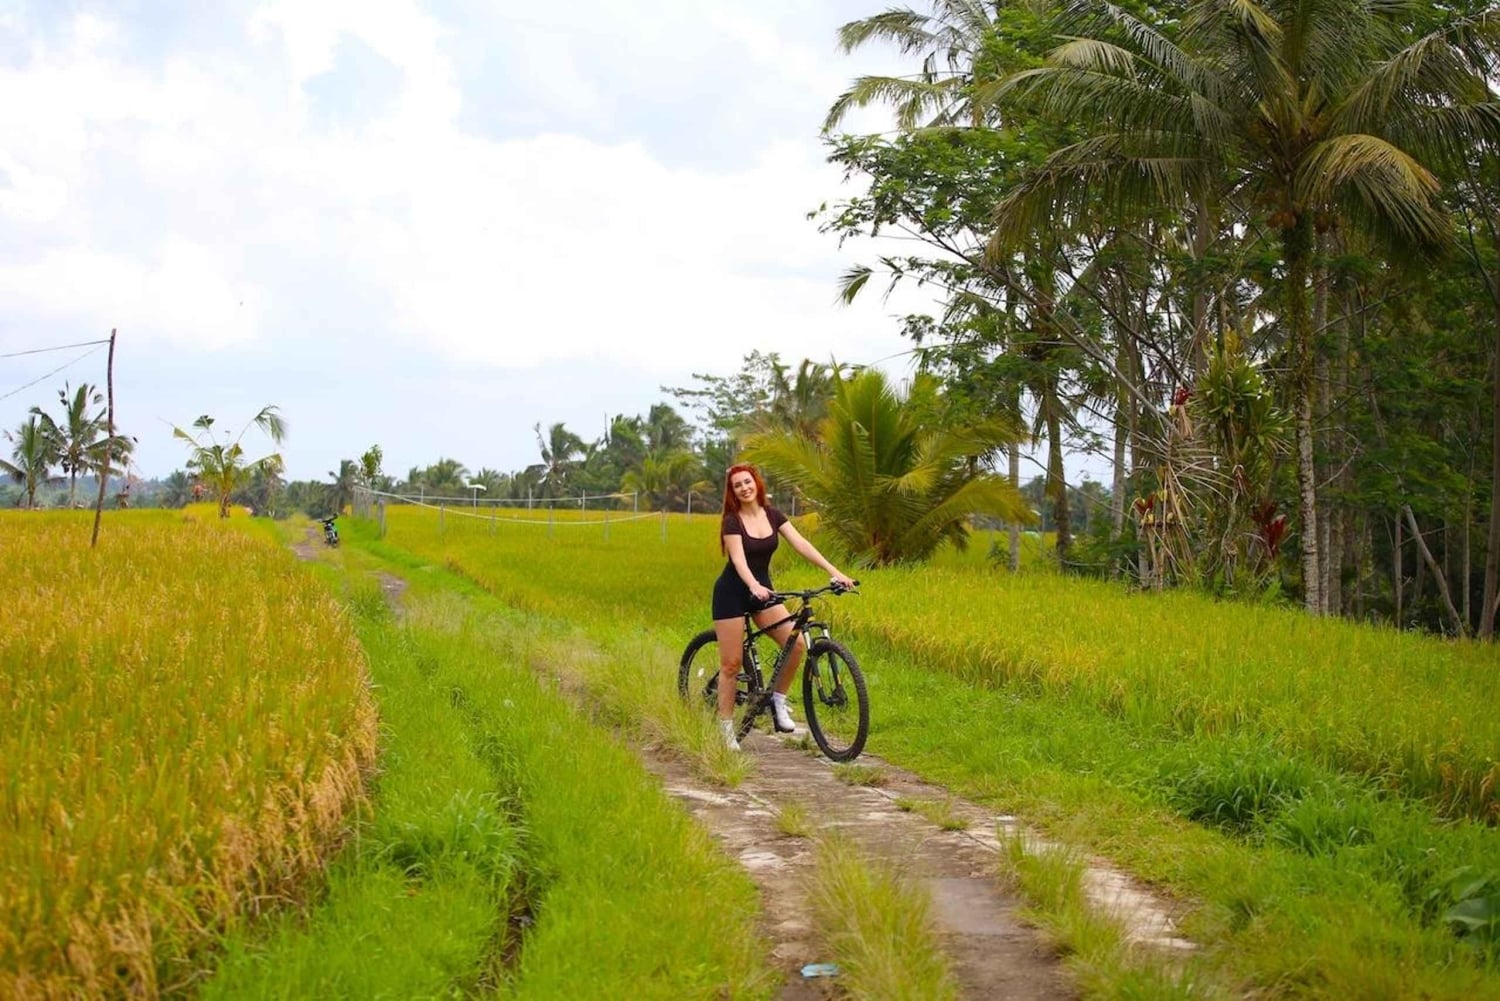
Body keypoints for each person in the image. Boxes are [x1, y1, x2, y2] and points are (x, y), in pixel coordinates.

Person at [712, 463, 855, 750]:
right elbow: (738, 560)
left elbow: (802, 544)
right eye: (738, 485)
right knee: (731, 663)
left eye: (748, 482)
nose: (744, 488)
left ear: (757, 484)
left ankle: (778, 701)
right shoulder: (732, 521)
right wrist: (753, 585)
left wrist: (834, 571)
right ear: (733, 491)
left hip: (763, 592)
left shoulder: (774, 516)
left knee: (797, 643)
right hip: (732, 592)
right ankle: (725, 726)